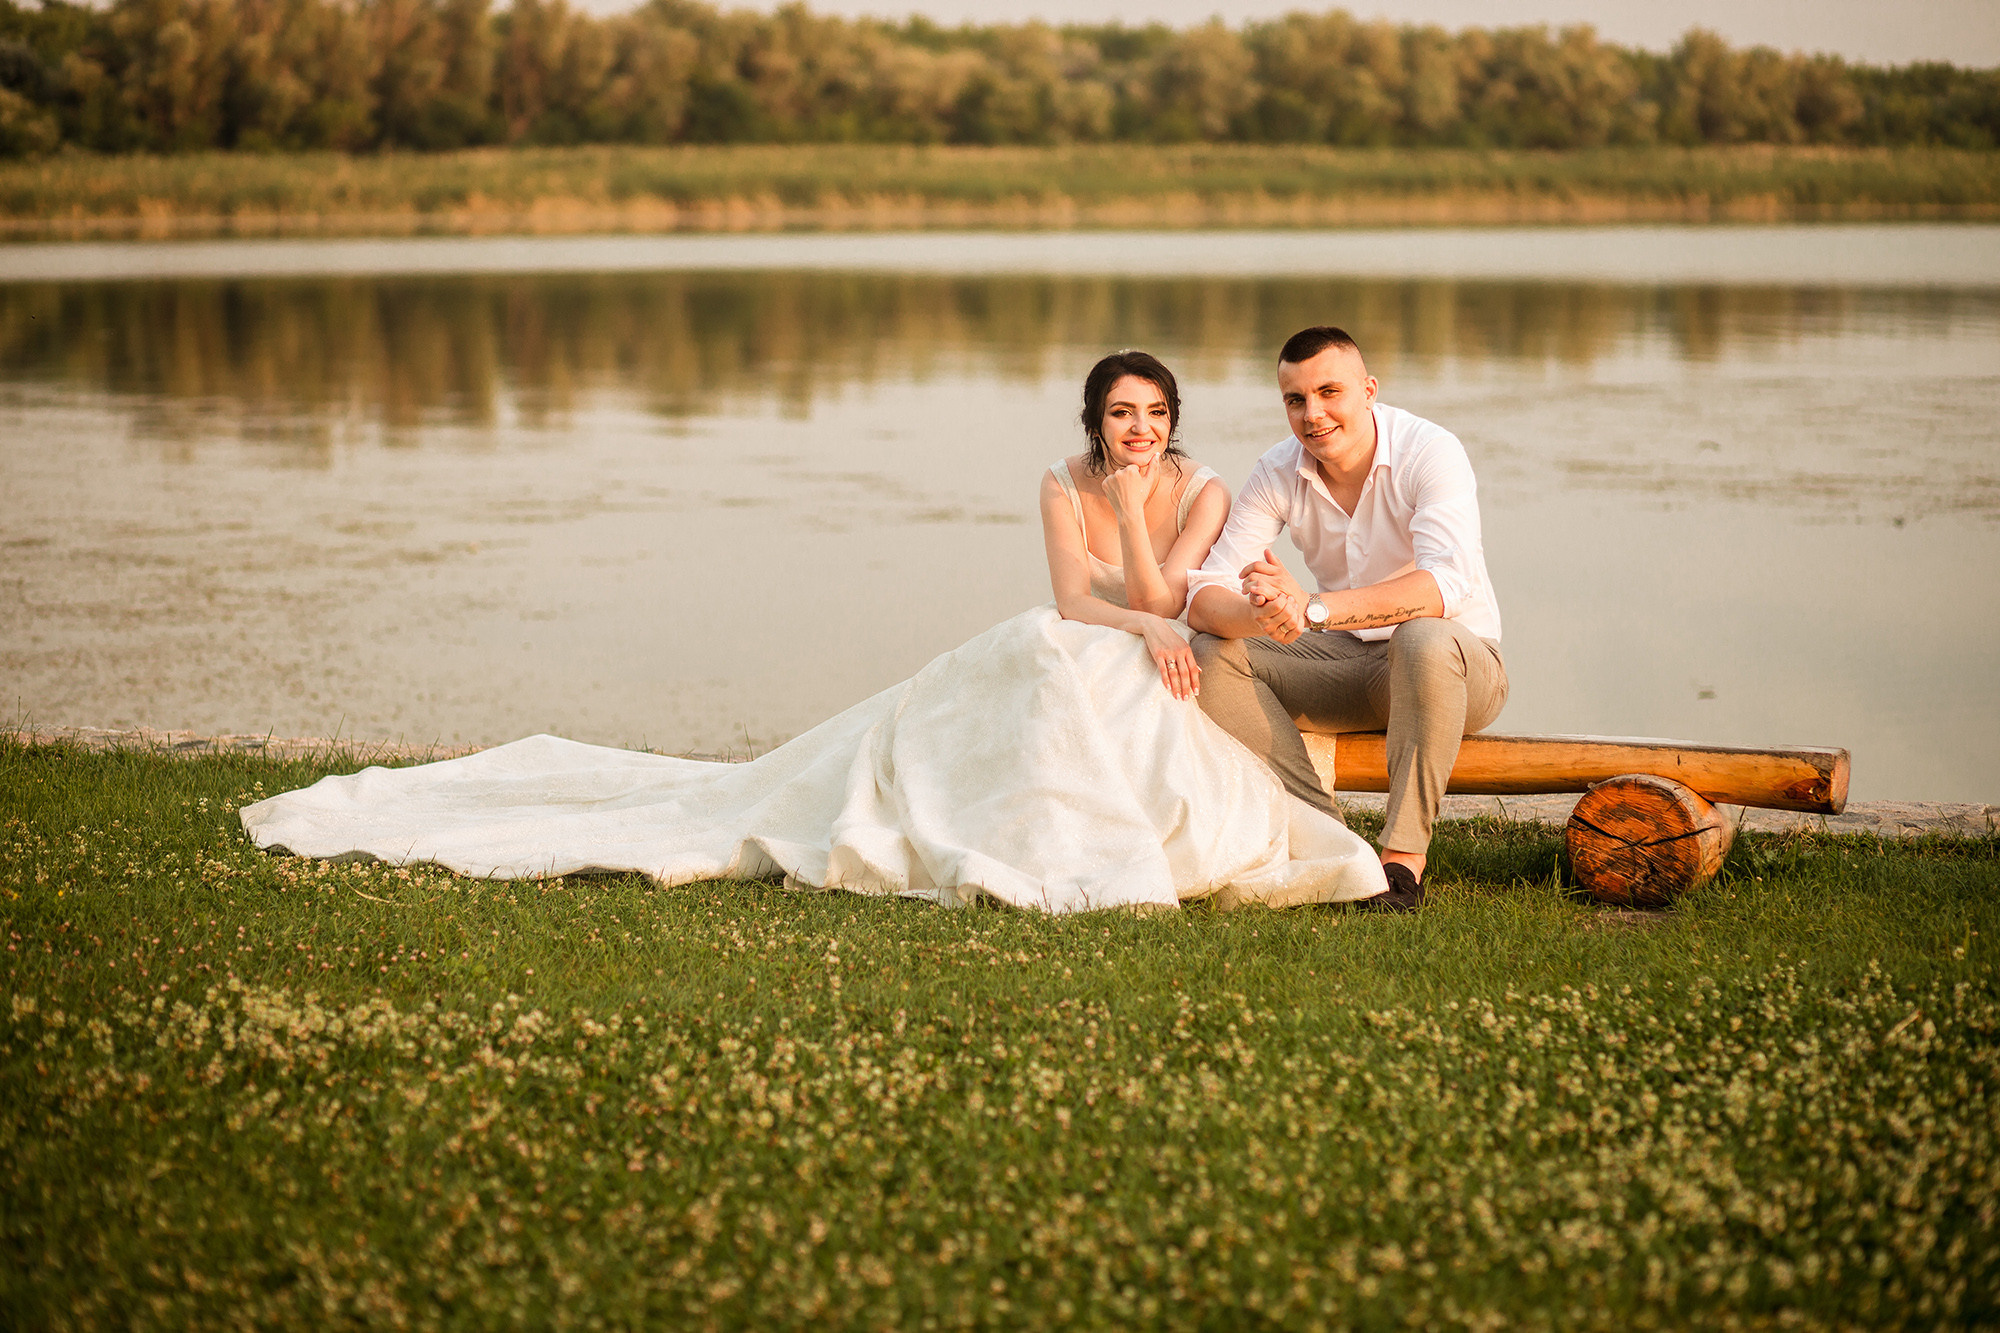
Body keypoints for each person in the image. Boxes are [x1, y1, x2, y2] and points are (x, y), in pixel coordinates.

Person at [240, 351, 1389, 915]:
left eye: (1150, 416)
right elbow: (1077, 601)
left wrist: (1146, 548)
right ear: (1090, 421)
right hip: (1090, 634)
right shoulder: (1055, 480)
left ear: (1171, 421)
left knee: (1139, 667)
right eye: (1116, 417)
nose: (1134, 430)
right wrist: (1138, 608)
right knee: (1049, 648)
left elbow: (1168, 592)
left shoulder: (1192, 485)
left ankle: (1142, 829)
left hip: (1153, 637)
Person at [1187, 326, 1507, 913]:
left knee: (1422, 637)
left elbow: (1445, 586)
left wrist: (1311, 608)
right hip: (1350, 663)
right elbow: (1204, 594)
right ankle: (1334, 840)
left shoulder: (1429, 451)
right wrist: (1268, 613)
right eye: (1295, 399)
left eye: (1329, 392)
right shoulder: (1277, 471)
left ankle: (1401, 864)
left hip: (1457, 668)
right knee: (1211, 655)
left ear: (1368, 390)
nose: (1313, 414)